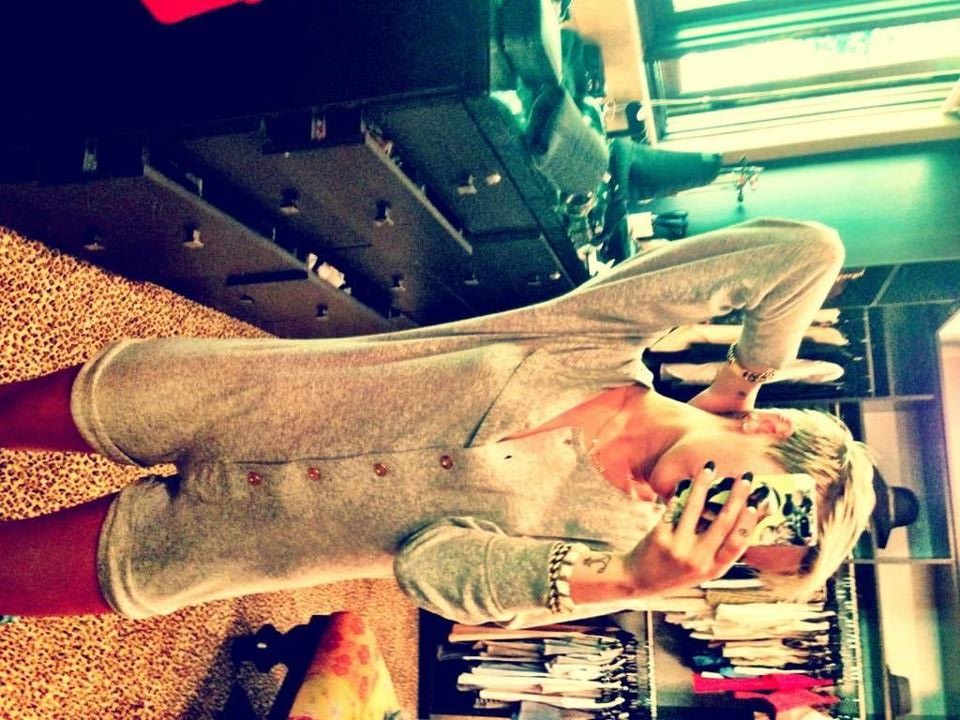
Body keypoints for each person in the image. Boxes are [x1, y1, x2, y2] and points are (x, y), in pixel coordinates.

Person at [0, 218, 876, 627]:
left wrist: (629, 580)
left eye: (735, 553)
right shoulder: (594, 340)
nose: (718, 528)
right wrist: (742, 379)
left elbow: (431, 571)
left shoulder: (610, 555)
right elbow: (806, 252)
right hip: (209, 396)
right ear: (768, 433)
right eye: (759, 509)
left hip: (213, 547)